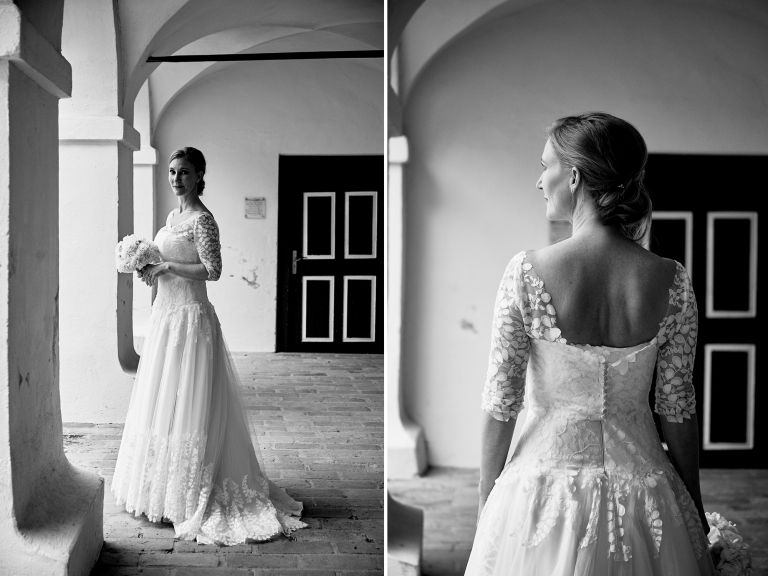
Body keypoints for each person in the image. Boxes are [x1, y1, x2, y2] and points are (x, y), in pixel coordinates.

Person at [465, 113, 715, 574]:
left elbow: (501, 402)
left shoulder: (525, 273)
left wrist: (487, 500)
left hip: (539, 495)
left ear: (575, 175)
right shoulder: (672, 280)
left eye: (546, 166)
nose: (540, 181)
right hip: (646, 492)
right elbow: (676, 406)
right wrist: (693, 507)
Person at [111, 147, 306, 545]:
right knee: (164, 401)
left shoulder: (203, 220)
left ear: (200, 175)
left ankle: (194, 491)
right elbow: (167, 261)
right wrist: (147, 263)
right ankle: (160, 491)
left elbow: (212, 270)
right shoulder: (172, 218)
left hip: (191, 322)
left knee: (191, 404)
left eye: (184, 172)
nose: (176, 178)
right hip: (165, 320)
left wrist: (167, 266)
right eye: (171, 171)